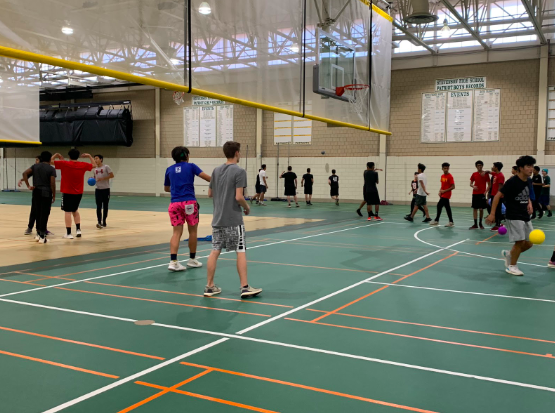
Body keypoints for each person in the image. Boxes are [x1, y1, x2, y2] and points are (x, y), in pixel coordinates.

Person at [205, 141, 262, 298]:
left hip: (217, 220)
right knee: (240, 250)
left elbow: (210, 194)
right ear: (237, 153)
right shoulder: (239, 171)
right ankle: (244, 287)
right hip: (233, 220)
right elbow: (239, 196)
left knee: (215, 250)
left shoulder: (216, 171)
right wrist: (247, 207)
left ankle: (209, 286)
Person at [486, 155, 535, 276]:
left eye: (532, 166)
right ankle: (512, 266)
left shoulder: (528, 180)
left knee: (530, 243)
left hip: (524, 214)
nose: (531, 169)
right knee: (519, 242)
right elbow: (497, 196)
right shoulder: (512, 182)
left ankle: (509, 254)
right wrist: (492, 214)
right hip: (513, 215)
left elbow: (527, 193)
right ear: (521, 168)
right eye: (528, 166)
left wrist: (529, 203)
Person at [164, 146, 211, 272]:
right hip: (189, 203)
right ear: (186, 156)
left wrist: (177, 187)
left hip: (174, 204)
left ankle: (173, 262)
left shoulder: (169, 169)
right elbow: (208, 178)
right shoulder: (191, 167)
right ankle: (192, 260)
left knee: (176, 232)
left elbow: (166, 188)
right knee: (193, 231)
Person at [51, 149, 94, 239]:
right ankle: (78, 230)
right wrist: (89, 156)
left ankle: (69, 233)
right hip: (78, 192)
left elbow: (50, 162)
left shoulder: (64, 163)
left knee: (67, 212)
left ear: (69, 156)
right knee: (75, 210)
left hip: (67, 191)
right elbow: (94, 165)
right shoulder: (83, 165)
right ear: (78, 156)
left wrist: (56, 154)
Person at [21, 151, 56, 244]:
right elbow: (52, 183)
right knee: (44, 213)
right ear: (49, 159)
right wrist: (54, 195)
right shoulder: (51, 169)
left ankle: (37, 234)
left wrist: (28, 185)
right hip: (46, 192)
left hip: (36, 191)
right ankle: (42, 236)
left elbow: (24, 173)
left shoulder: (35, 166)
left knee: (37, 212)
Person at [430, 162, 455, 227]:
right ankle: (451, 221)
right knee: (447, 207)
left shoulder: (450, 176)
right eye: (445, 168)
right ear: (442, 169)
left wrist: (444, 191)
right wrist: (440, 191)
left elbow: (453, 187)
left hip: (447, 194)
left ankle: (437, 220)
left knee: (439, 205)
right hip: (443, 194)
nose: (446, 169)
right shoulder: (442, 176)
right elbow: (442, 185)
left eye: (447, 168)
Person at [93, 155, 114, 229]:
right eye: (94, 159)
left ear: (101, 159)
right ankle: (99, 222)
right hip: (98, 189)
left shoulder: (106, 167)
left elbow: (112, 175)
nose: (95, 160)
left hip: (105, 189)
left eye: (96, 158)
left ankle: (104, 221)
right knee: (98, 206)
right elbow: (95, 178)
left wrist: (103, 178)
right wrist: (92, 180)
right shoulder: (95, 169)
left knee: (105, 206)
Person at [469, 160, 490, 230]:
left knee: (481, 209)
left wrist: (486, 192)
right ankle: (475, 224)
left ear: (482, 166)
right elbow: (470, 183)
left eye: (480, 165)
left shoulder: (486, 174)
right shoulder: (474, 174)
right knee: (475, 208)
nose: (479, 167)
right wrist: (473, 186)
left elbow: (489, 185)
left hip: (482, 194)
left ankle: (480, 223)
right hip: (475, 193)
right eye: (478, 165)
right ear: (476, 166)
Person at [487, 162, 505, 231]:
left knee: (498, 210)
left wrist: (497, 196)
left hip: (497, 196)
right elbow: (490, 172)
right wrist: (486, 172)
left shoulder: (501, 176)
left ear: (496, 167)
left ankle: (498, 224)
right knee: (493, 208)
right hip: (493, 195)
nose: (492, 167)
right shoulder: (495, 174)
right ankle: (497, 222)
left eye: (493, 166)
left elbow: (500, 187)